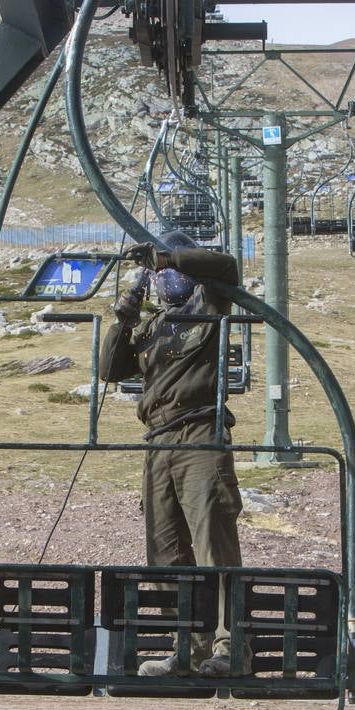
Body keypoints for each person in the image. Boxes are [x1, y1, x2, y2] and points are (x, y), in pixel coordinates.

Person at [99, 231, 244, 677]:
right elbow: (109, 369)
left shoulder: (209, 305)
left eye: (170, 271)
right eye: (159, 274)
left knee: (211, 546)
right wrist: (126, 311)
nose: (165, 279)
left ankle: (229, 647)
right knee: (165, 553)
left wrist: (169, 256)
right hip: (159, 441)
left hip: (199, 432)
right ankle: (188, 649)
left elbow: (225, 266)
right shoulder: (151, 327)